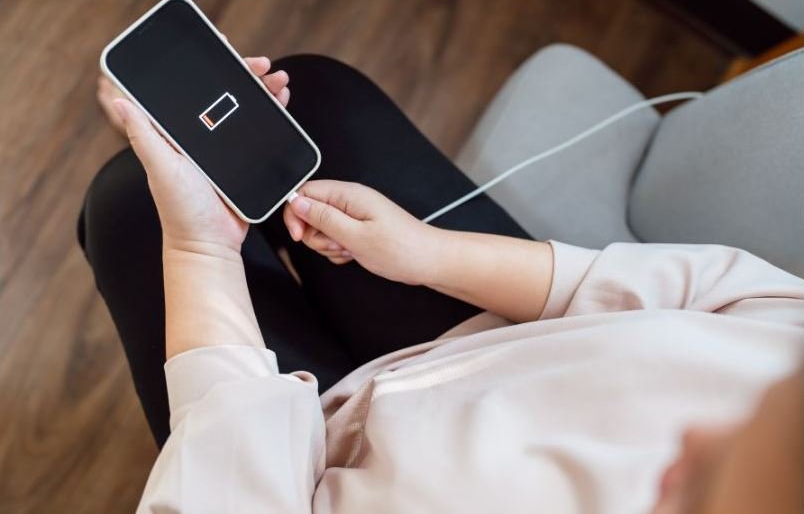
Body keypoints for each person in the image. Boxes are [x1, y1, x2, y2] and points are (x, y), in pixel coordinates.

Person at [80, 54, 804, 513]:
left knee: (130, 204)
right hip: (500, 328)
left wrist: (200, 249)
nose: (701, 429)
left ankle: (155, 156)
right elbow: (695, 287)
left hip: (305, 470)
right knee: (317, 97)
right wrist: (426, 253)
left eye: (706, 492)